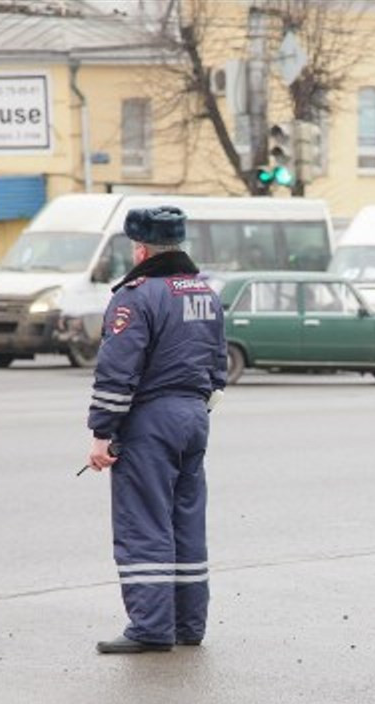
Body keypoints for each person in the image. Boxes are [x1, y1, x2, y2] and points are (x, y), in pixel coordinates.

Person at [85, 206, 228, 654]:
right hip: (193, 416)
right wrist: (197, 406)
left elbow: (117, 368)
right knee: (186, 522)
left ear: (142, 248)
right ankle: (188, 624)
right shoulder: (204, 291)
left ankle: (150, 627)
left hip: (151, 420)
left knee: (144, 523)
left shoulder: (137, 295)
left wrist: (101, 432)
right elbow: (218, 363)